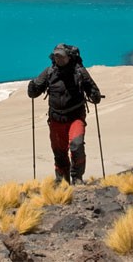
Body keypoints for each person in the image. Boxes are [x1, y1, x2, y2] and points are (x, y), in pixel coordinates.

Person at [28, 44, 102, 185]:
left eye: (61, 56)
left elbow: (94, 92)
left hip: (75, 117)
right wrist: (32, 88)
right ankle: (62, 181)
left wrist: (94, 95)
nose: (58, 58)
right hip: (56, 119)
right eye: (56, 56)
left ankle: (77, 178)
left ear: (69, 57)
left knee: (76, 145)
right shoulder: (49, 72)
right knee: (59, 151)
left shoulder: (79, 72)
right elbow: (34, 92)